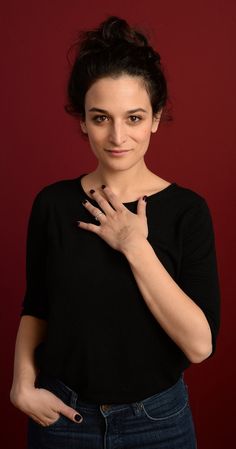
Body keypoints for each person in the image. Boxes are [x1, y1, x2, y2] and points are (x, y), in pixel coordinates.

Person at [10, 15, 221, 449]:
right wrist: (21, 386)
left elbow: (200, 346)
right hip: (62, 418)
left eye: (135, 117)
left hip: (158, 422)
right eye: (101, 117)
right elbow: (37, 307)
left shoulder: (187, 211)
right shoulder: (52, 203)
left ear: (156, 119)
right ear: (84, 121)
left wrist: (133, 245)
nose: (118, 135)